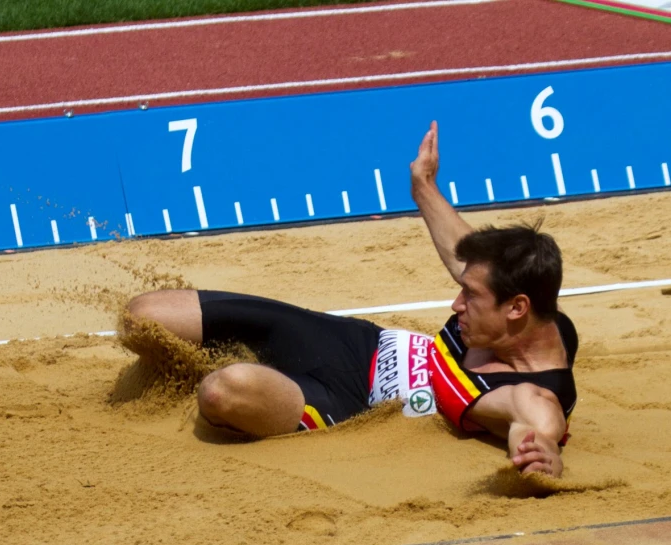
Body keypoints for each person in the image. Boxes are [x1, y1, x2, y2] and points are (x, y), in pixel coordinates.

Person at [126, 121, 578, 478]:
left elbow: (535, 421)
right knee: (143, 318)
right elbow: (477, 266)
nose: (457, 304)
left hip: (344, 403)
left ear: (517, 308)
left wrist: (543, 455)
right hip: (352, 343)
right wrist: (424, 188)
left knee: (223, 390)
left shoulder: (537, 392)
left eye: (470, 297)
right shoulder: (532, 311)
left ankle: (246, 381)